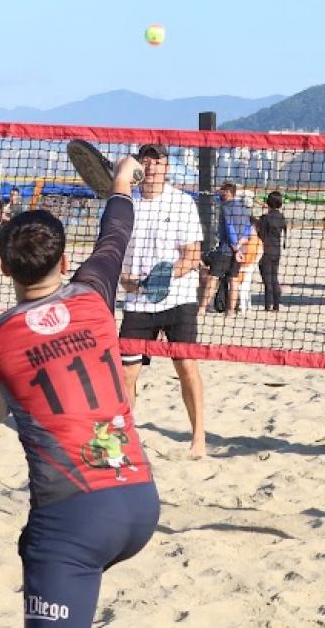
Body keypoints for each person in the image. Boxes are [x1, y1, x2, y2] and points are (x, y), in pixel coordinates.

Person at [0, 155, 157, 628]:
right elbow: (115, 233)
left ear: (1, 264)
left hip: (76, 515)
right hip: (139, 497)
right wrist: (121, 181)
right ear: (66, 261)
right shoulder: (92, 294)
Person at [118, 143, 207, 458]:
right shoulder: (125, 204)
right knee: (126, 373)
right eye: (147, 160)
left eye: (158, 161)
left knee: (186, 366)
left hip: (178, 299)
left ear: (167, 167)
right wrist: (125, 278)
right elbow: (115, 252)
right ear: (139, 166)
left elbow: (192, 256)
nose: (152, 166)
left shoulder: (182, 203)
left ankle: (198, 440)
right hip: (137, 302)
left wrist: (164, 277)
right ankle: (127, 438)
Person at [199, 182, 251, 317]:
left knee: (213, 277)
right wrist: (241, 245)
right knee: (233, 280)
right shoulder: (245, 209)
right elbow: (248, 229)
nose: (221, 194)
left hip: (227, 249)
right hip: (241, 250)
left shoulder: (225, 208)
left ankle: (202, 309)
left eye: (223, 192)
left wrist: (235, 246)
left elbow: (229, 228)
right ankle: (231, 311)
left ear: (228, 193)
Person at [257, 190, 287, 312]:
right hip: (277, 250)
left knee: (267, 279)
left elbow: (261, 235)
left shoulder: (266, 218)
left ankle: (267, 305)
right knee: (274, 278)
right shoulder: (281, 217)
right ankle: (276, 305)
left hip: (266, 250)